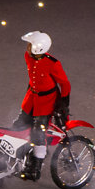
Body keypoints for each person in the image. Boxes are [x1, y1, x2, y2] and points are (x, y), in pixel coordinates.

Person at [11, 31, 71, 180]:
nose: (27, 47)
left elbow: (65, 84)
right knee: (19, 124)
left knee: (38, 132)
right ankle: (17, 152)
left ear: (38, 49)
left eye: (30, 45)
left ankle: (36, 165)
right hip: (31, 98)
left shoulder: (52, 64)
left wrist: (63, 102)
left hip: (46, 101)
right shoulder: (28, 57)